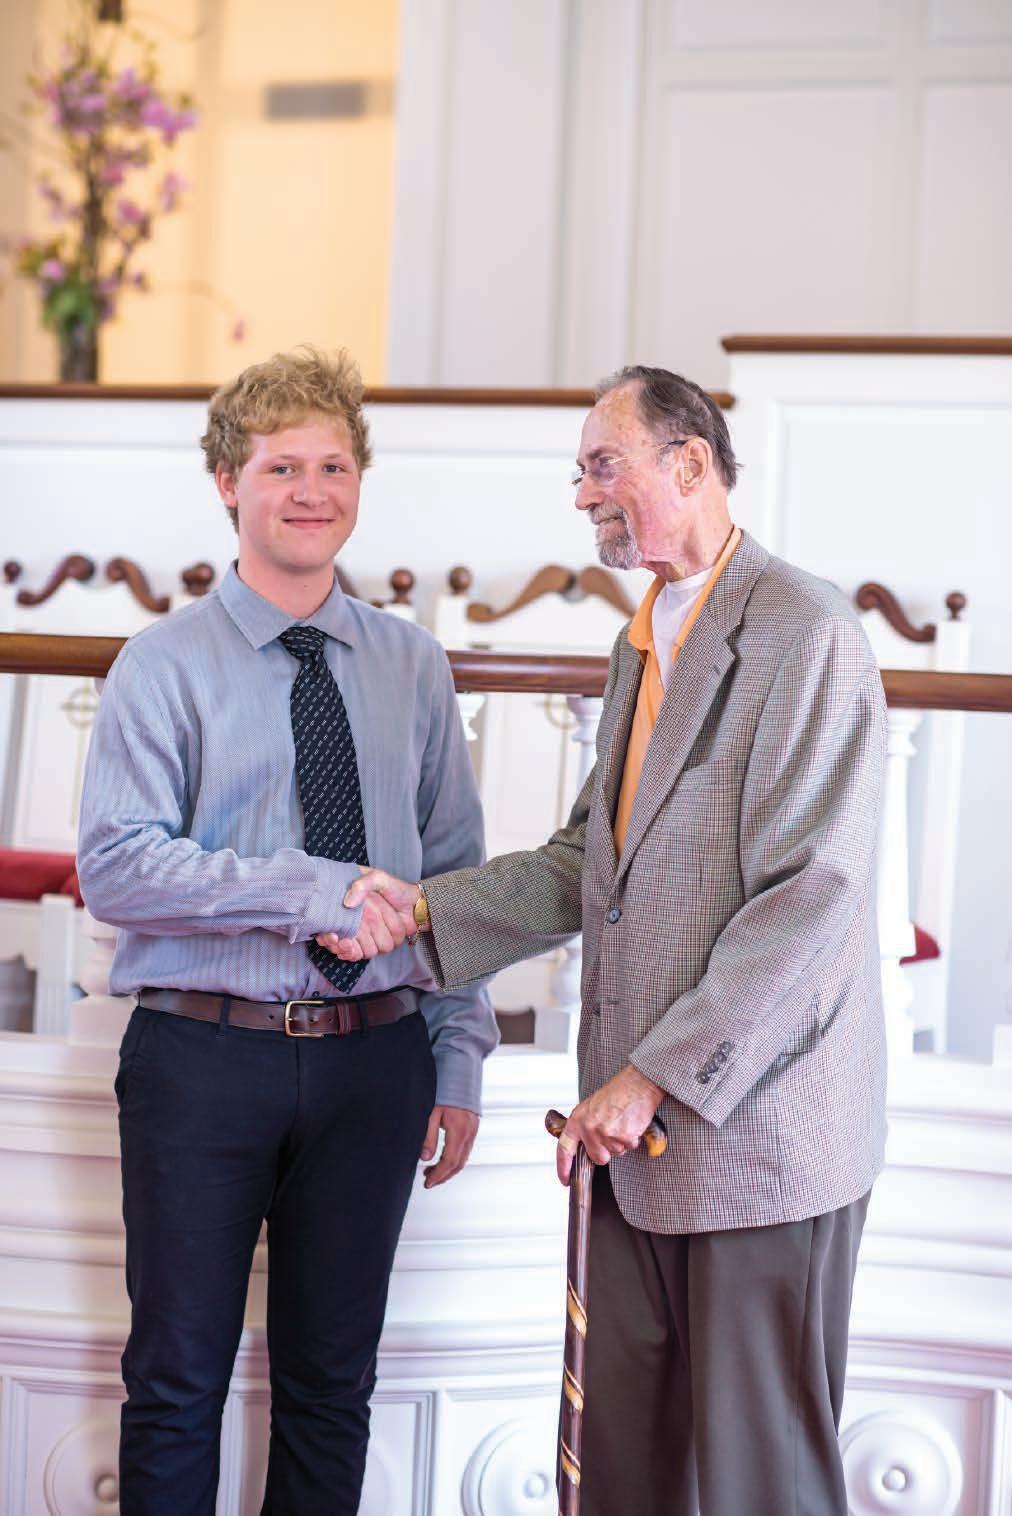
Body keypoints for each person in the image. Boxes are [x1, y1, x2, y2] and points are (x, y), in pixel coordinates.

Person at [326, 366, 888, 1516]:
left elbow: (810, 896)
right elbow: (590, 861)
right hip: (632, 1138)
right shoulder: (643, 639)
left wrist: (652, 1077)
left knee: (759, 1485)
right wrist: (424, 909)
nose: (582, 494)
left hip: (755, 1139)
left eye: (600, 465)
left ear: (690, 462)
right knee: (630, 1473)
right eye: (580, 472)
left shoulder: (807, 630)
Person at [76, 346, 497, 1516]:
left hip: (376, 1061)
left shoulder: (411, 666)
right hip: (203, 1057)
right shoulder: (161, 664)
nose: (311, 490)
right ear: (228, 482)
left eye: (333, 466)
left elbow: (455, 875)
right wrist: (314, 891)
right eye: (281, 467)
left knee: (331, 1388)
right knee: (175, 1383)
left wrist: (456, 1053)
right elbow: (116, 866)